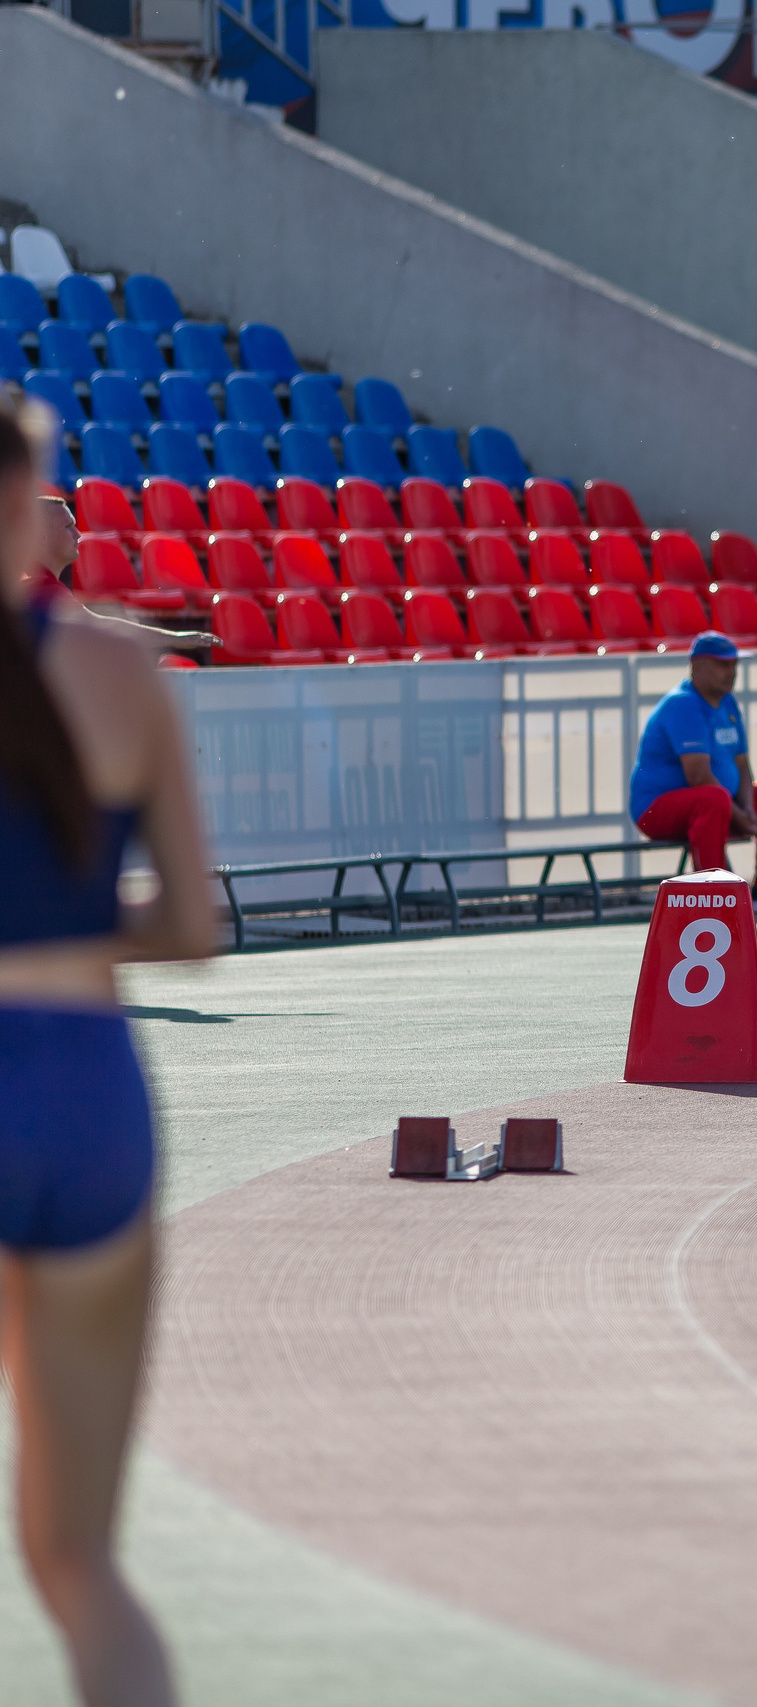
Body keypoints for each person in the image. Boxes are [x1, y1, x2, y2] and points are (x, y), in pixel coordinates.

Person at [0, 401, 215, 1707]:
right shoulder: (125, 673)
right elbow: (195, 925)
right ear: (35, 508)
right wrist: (69, 928)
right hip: (89, 1094)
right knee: (83, 1560)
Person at [629, 632, 757, 915]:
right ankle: (716, 896)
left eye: (733, 665)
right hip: (657, 811)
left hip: (715, 806)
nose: (731, 672)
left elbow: (741, 764)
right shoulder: (683, 704)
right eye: (722, 665)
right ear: (697, 665)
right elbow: (698, 776)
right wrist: (739, 816)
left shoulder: (727, 703)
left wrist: (749, 808)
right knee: (712, 798)